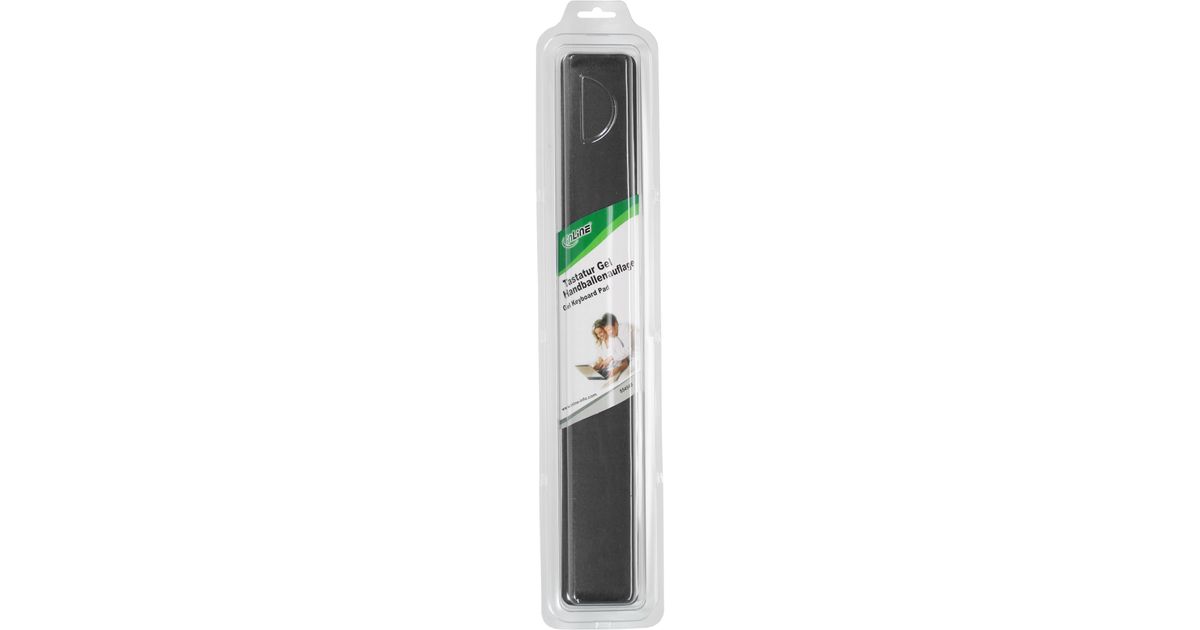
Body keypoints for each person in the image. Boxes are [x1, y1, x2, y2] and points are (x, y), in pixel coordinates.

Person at [596, 313, 630, 381]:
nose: (599, 335)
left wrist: (615, 367)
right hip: (610, 369)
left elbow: (625, 359)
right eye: (597, 334)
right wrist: (600, 362)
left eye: (601, 332)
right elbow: (604, 358)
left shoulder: (615, 338)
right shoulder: (603, 343)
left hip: (617, 369)